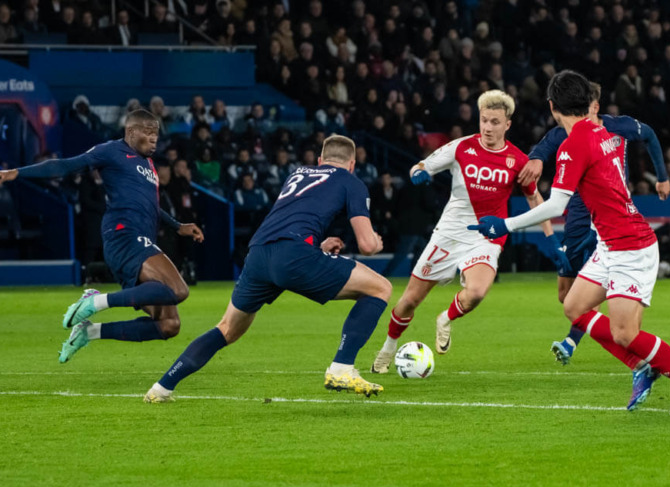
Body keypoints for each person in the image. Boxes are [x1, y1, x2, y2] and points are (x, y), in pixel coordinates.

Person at [469, 70, 670, 415]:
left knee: (625, 332)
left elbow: (555, 205)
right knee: (574, 306)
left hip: (631, 245)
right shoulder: (602, 131)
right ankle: (641, 366)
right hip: (609, 244)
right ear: (588, 103)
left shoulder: (575, 144)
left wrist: (503, 224)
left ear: (553, 107)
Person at [144, 135, 391, 403]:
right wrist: (376, 243)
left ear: (320, 161)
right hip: (292, 256)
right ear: (352, 164)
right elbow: (366, 245)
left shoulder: (297, 173)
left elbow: (291, 220)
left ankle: (162, 387)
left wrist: (316, 246)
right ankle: (342, 367)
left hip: (260, 254)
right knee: (380, 288)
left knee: (227, 329)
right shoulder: (350, 181)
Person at [371, 90, 569, 374]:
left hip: (487, 236)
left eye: (495, 122)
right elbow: (422, 164)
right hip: (449, 233)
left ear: (507, 124)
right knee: (409, 301)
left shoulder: (517, 159)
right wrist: (419, 173)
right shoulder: (461, 147)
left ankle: (445, 318)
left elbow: (534, 199)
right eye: (484, 120)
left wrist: (551, 239)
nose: (488, 127)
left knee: (476, 292)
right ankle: (387, 349)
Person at [0, 109, 204, 362]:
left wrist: (177, 225)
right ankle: (95, 302)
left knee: (169, 325)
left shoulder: (147, 164)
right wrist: (17, 173)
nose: (154, 139)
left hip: (142, 239)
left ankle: (89, 332)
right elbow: (65, 165)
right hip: (124, 234)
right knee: (179, 290)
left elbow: (150, 204)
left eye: (156, 134)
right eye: (148, 132)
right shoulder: (110, 151)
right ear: (131, 131)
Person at [520, 82, 670, 365]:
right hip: (577, 214)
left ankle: (578, 341)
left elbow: (649, 134)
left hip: (610, 216)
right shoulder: (565, 134)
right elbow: (541, 150)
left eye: (587, 108)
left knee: (605, 296)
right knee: (567, 295)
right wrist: (537, 160)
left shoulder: (617, 127)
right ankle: (626, 345)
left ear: (595, 106)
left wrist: (661, 176)